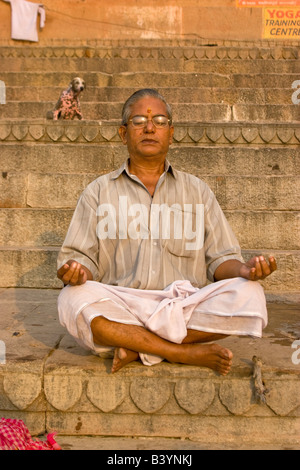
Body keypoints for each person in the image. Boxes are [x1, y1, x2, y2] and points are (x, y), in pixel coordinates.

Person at [57, 89, 277, 376]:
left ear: (171, 133)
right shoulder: (98, 192)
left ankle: (138, 346)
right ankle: (179, 352)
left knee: (251, 294)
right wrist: (76, 271)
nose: (150, 128)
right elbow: (80, 259)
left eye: (159, 121)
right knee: (71, 299)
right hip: (124, 303)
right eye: (139, 121)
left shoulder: (197, 190)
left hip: (184, 305)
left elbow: (220, 260)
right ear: (124, 134)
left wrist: (244, 270)